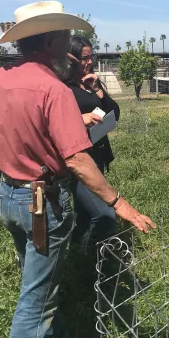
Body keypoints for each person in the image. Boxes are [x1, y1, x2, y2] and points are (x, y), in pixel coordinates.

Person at [0, 0, 155, 338]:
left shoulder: (1, 78)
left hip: (9, 194)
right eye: (65, 35)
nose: (70, 44)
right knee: (34, 305)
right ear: (49, 41)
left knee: (40, 286)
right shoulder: (53, 90)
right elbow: (78, 160)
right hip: (42, 203)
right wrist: (118, 202)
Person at [64, 36, 119, 246]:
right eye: (85, 58)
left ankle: (79, 253)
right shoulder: (64, 88)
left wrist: (97, 89)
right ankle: (93, 258)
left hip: (98, 155)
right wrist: (79, 120)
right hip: (79, 159)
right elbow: (54, 122)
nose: (89, 62)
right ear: (72, 59)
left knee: (85, 213)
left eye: (91, 57)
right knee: (103, 214)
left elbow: (115, 112)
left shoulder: (89, 83)